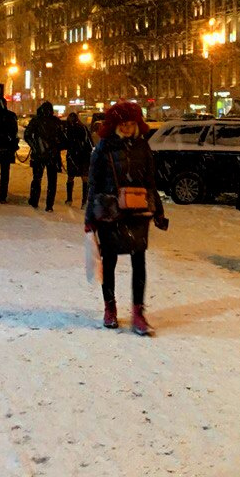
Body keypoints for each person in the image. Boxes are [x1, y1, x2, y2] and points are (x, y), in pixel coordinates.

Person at [85, 101, 167, 335]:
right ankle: (109, 308)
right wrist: (90, 218)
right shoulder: (103, 148)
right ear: (116, 125)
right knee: (109, 262)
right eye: (125, 124)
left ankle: (138, 313)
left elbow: (151, 181)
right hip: (110, 212)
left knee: (138, 262)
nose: (129, 129)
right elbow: (94, 184)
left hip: (138, 212)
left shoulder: (143, 147)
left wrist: (159, 211)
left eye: (132, 124)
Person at [25, 101, 66, 212]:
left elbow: (27, 135)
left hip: (39, 155)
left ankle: (34, 200)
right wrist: (56, 147)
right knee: (52, 181)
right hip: (52, 156)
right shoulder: (56, 122)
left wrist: (35, 146)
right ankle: (49, 205)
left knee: (37, 179)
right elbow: (64, 139)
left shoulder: (36, 121)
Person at [0, 96, 18, 203]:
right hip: (6, 149)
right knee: (5, 173)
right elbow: (14, 132)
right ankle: (2, 195)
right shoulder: (11, 116)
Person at [64, 111, 94, 208]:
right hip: (83, 156)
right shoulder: (83, 128)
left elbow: (65, 143)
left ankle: (69, 199)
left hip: (73, 156)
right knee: (84, 179)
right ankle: (84, 202)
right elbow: (89, 143)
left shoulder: (68, 129)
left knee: (70, 177)